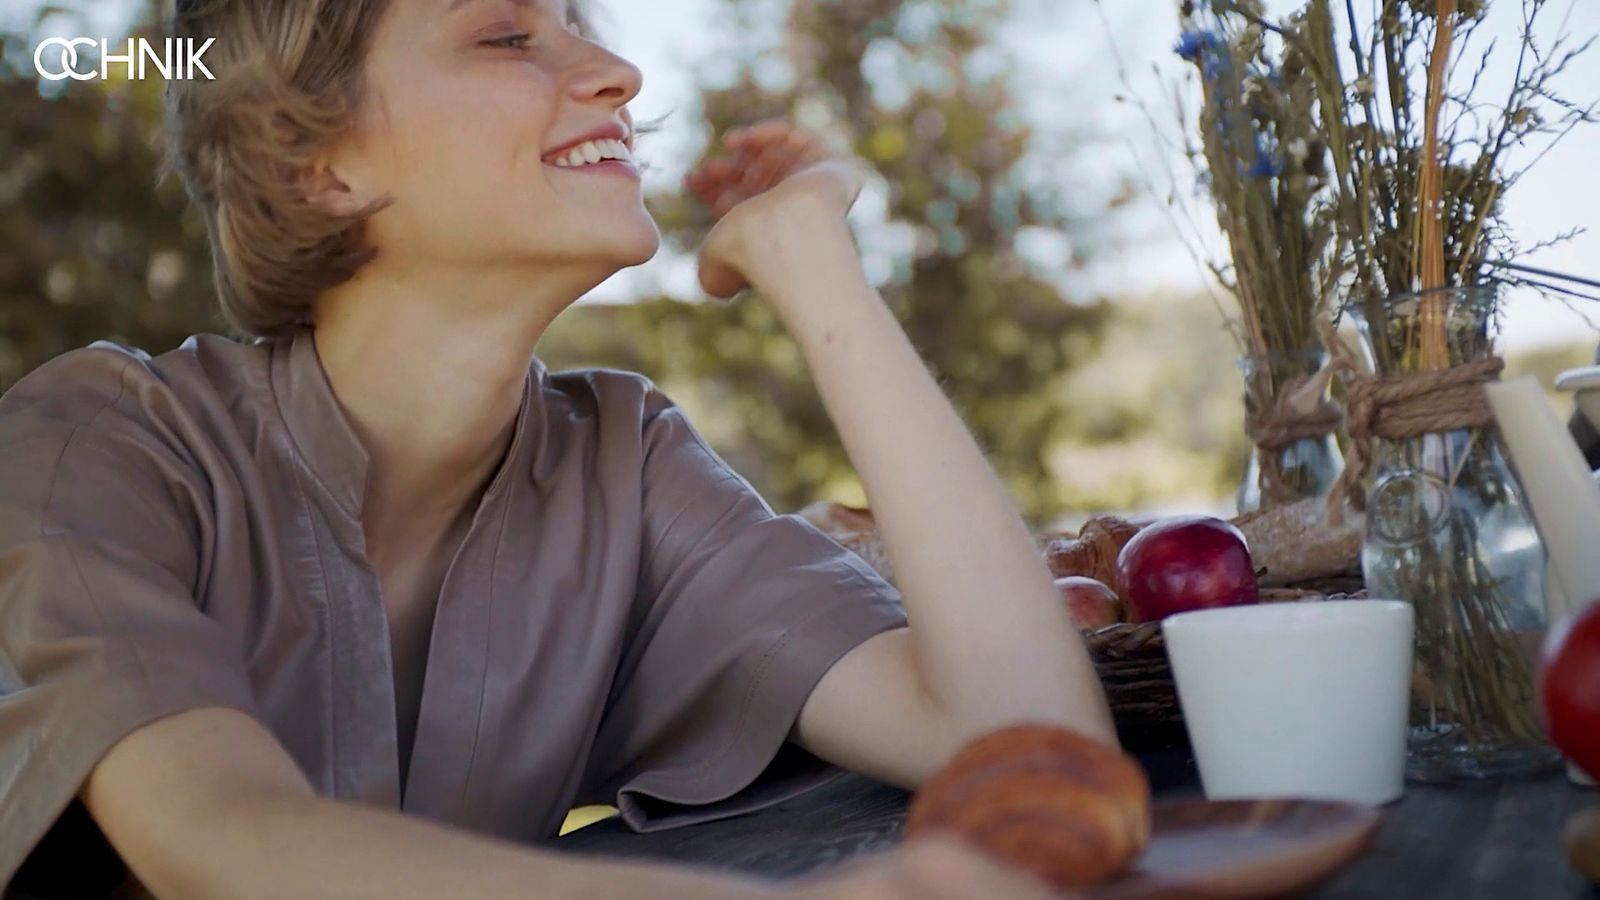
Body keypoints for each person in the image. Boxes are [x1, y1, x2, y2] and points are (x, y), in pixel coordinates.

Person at [0, 0, 1114, 896]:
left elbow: (1026, 747)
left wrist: (813, 256)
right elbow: (223, 842)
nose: (616, 70)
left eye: (580, 25)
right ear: (318, 166)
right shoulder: (96, 447)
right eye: (506, 35)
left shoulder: (626, 471)